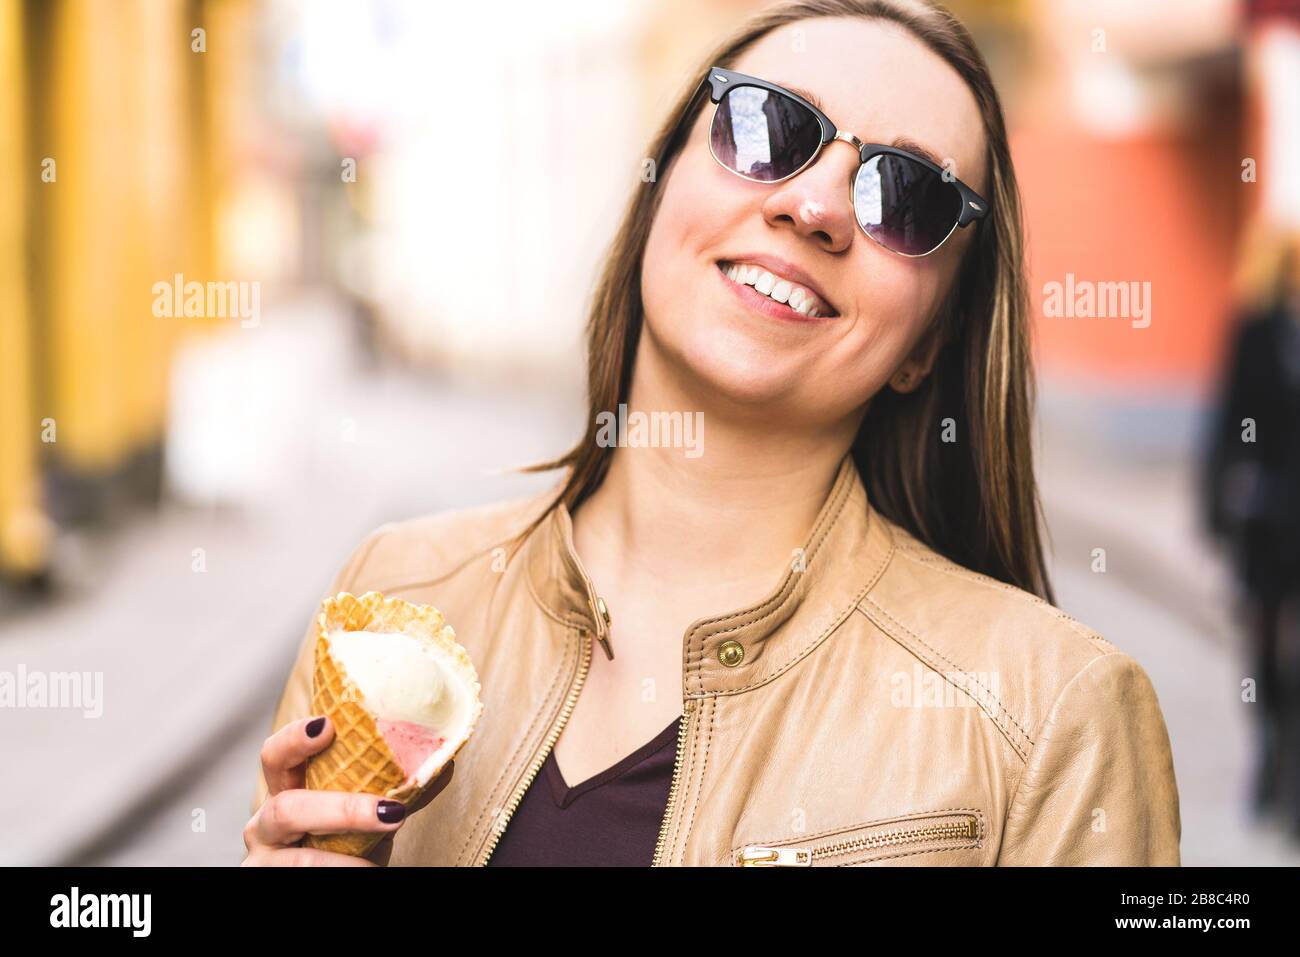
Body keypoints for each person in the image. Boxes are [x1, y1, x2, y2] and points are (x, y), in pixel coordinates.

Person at [243, 0, 1181, 867]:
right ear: (659, 188)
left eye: (907, 195)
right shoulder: (396, 593)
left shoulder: (1056, 715)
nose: (812, 207)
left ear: (929, 341)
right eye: (769, 127)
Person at [1202, 226, 1300, 836]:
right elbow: (1230, 416)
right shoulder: (1256, 328)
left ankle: (1290, 766)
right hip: (1265, 522)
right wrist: (1217, 504)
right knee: (1263, 645)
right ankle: (1271, 750)